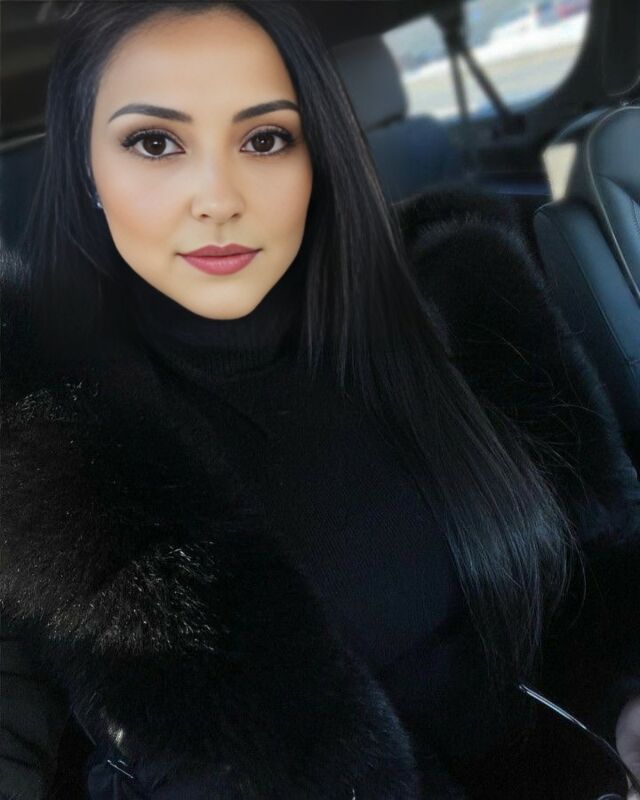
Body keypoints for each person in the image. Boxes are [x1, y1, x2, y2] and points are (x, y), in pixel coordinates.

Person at [1, 2, 639, 798]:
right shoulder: (44, 463)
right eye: (155, 143)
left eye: (266, 138)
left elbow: (604, 570)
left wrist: (626, 702)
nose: (218, 198)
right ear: (87, 171)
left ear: (317, 157)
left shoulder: (467, 299)